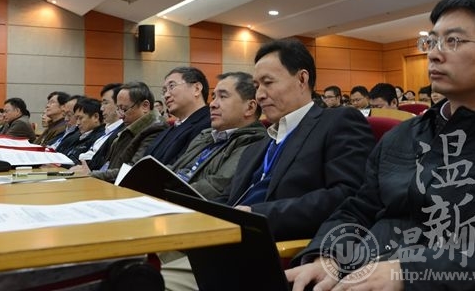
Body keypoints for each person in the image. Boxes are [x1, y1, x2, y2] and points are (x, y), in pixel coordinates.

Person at [287, 0, 475, 290]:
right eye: (432, 41)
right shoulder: (403, 135)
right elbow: (359, 208)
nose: (433, 53)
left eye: (453, 41)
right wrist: (327, 255)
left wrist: (410, 273)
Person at [224, 39, 375, 241]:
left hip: (276, 243)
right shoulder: (257, 146)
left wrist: (257, 215)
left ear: (302, 79)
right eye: (256, 86)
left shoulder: (338, 122)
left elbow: (348, 195)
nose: (259, 95)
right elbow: (229, 199)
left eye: (268, 83)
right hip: (223, 237)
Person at [168, 71, 267, 200]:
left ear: (249, 108)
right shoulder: (205, 135)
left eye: (223, 97)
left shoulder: (254, 143)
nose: (212, 104)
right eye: (214, 97)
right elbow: (176, 169)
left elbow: (216, 188)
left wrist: (164, 192)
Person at [71, 81, 163, 183]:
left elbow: (132, 171)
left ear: (145, 106)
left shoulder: (154, 130)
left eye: (124, 109)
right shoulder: (130, 127)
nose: (120, 116)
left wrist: (91, 175)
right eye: (118, 109)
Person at [137, 67, 211, 166]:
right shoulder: (167, 130)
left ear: (196, 89)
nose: (166, 95)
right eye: (164, 91)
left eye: (172, 86)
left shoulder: (208, 125)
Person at [80, 83, 125, 170]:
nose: (101, 108)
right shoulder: (105, 131)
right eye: (102, 104)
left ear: (119, 105)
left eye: (105, 103)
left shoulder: (121, 133)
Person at [57, 98, 105, 164]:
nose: (77, 123)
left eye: (80, 118)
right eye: (76, 118)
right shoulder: (76, 135)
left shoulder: (101, 139)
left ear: (95, 117)